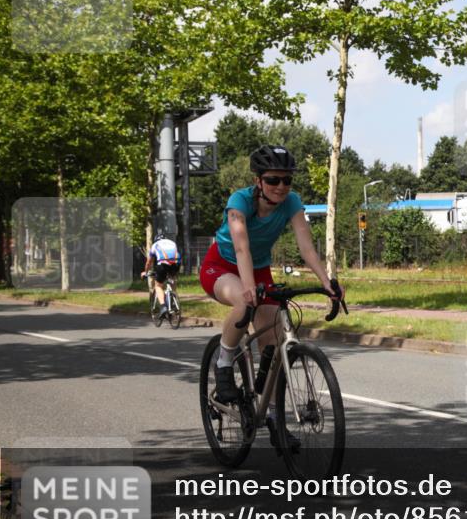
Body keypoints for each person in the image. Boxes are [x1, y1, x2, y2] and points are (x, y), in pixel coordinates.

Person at [199, 144, 342, 449]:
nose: (281, 187)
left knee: (275, 339)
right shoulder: (240, 201)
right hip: (221, 265)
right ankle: (224, 363)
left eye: (286, 180)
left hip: (259, 268)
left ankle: (274, 416)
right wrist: (249, 286)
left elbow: (306, 248)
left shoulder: (292, 203)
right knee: (243, 300)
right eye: (274, 180)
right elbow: (241, 247)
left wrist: (327, 282)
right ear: (259, 181)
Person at [142, 232, 181, 318]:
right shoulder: (172, 242)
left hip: (163, 264)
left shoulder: (155, 245)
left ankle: (163, 307)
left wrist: (145, 272)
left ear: (156, 239)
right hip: (176, 263)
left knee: (158, 286)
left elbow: (149, 262)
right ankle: (173, 300)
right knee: (172, 280)